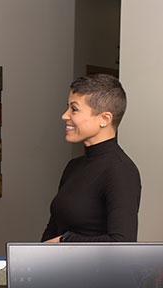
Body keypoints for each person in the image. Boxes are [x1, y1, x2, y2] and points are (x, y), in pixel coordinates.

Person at [41, 73, 141, 243]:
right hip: (56, 267)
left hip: (92, 270)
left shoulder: (121, 171)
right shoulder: (73, 166)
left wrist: (66, 241)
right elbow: (54, 228)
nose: (65, 116)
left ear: (105, 119)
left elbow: (122, 242)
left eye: (74, 109)